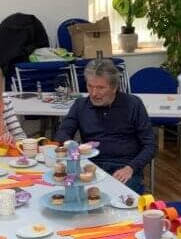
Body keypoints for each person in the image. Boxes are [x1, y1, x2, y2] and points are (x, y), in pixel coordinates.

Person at [54, 58, 155, 193]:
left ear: (114, 88)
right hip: (90, 166)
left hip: (124, 167)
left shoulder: (133, 104)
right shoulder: (80, 105)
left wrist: (131, 168)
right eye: (90, 86)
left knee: (119, 198)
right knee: (71, 194)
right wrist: (71, 145)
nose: (94, 93)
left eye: (100, 88)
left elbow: (150, 145)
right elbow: (63, 132)